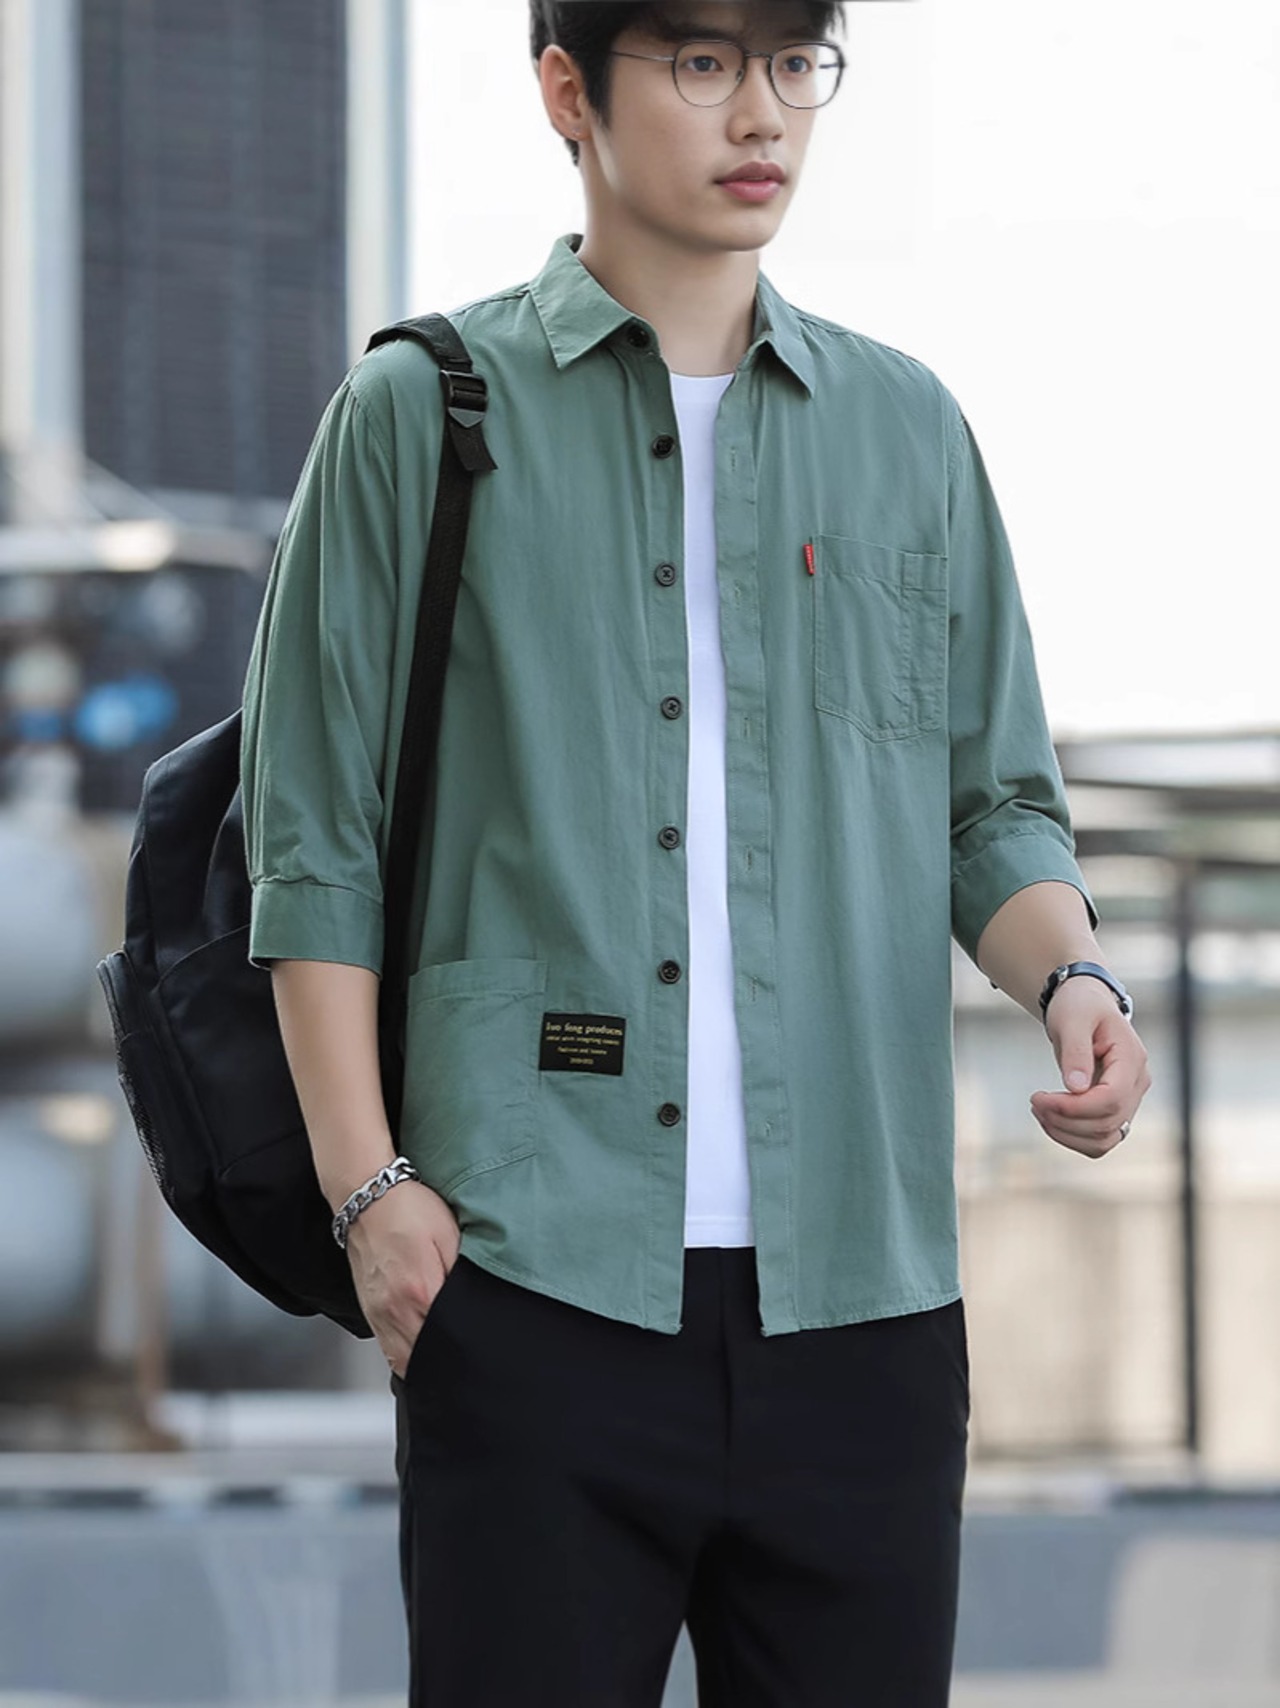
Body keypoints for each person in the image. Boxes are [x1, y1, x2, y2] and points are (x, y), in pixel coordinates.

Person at [239, 2, 1153, 1702]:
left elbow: (993, 806)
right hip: (529, 1274)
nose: (763, 116)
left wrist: (1073, 979)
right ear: (567, 90)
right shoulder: (418, 412)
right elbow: (315, 848)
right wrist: (373, 1198)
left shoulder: (907, 428)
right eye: (705, 62)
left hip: (864, 1301)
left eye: (795, 63)